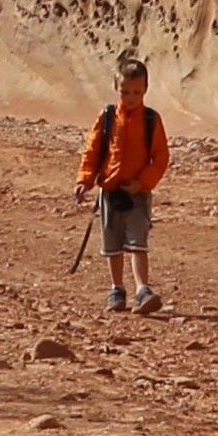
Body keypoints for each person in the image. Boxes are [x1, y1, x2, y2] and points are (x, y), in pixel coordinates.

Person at [74, 54, 170, 313]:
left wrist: (142, 182)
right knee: (112, 244)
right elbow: (93, 152)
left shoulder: (151, 119)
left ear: (145, 90)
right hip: (109, 192)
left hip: (138, 194)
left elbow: (160, 156)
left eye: (136, 92)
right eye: (125, 91)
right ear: (116, 89)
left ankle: (142, 289)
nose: (130, 97)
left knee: (138, 243)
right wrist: (85, 180)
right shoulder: (107, 117)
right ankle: (117, 289)